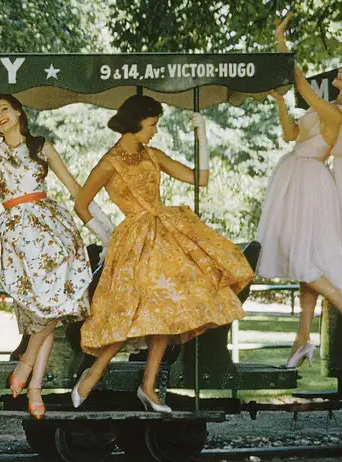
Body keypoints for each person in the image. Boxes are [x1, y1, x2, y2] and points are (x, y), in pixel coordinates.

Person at [71, 94, 254, 412]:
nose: (155, 131)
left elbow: (202, 179)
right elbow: (81, 204)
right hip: (133, 241)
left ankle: (149, 386)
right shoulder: (107, 163)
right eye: (152, 124)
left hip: (167, 235)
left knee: (165, 312)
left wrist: (203, 135)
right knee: (131, 311)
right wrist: (107, 234)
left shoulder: (153, 155)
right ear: (135, 123)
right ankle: (94, 372)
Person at [256, 13, 342, 365]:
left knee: (304, 260)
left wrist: (281, 44)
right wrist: (280, 101)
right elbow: (290, 135)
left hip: (310, 183)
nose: (340, 73)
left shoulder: (338, 114)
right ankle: (302, 339)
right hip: (298, 177)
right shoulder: (330, 111)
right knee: (303, 264)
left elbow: (301, 83)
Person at [0, 92, 96, 419]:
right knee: (40, 309)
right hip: (16, 231)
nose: (0, 116)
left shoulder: (41, 147)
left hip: (48, 227)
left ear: (19, 112)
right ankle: (32, 382)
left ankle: (29, 374)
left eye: (4, 109)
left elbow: (76, 188)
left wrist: (102, 224)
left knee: (51, 305)